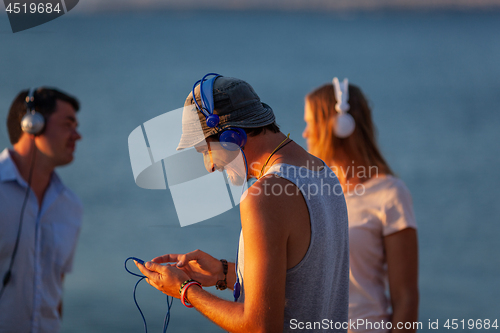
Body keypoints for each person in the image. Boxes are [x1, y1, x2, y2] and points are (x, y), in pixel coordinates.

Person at [136, 75, 349, 332]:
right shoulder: (324, 173)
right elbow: (308, 280)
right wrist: (223, 273)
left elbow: (260, 326)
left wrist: (185, 290)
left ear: (233, 137)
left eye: (206, 151)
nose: (210, 166)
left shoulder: (264, 197)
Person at [303, 78, 419, 333]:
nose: (305, 133)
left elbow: (406, 299)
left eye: (310, 123)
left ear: (339, 126)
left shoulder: (390, 194)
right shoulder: (309, 192)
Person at [0, 87, 83, 333]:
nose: (77, 135)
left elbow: (56, 292)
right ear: (32, 124)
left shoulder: (71, 206)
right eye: (68, 124)